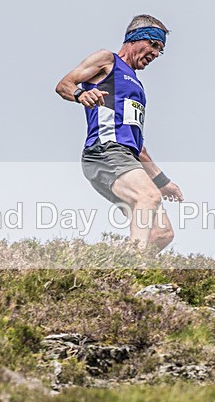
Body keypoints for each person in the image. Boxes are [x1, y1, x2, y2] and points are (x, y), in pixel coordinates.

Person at [55, 14, 183, 253]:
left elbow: (138, 148)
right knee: (147, 196)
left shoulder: (137, 86)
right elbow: (64, 84)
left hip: (127, 157)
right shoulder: (108, 61)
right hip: (104, 152)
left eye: (160, 50)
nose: (155, 54)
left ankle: (116, 270)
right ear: (134, 38)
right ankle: (131, 269)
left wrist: (163, 182)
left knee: (162, 233)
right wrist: (81, 95)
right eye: (153, 44)